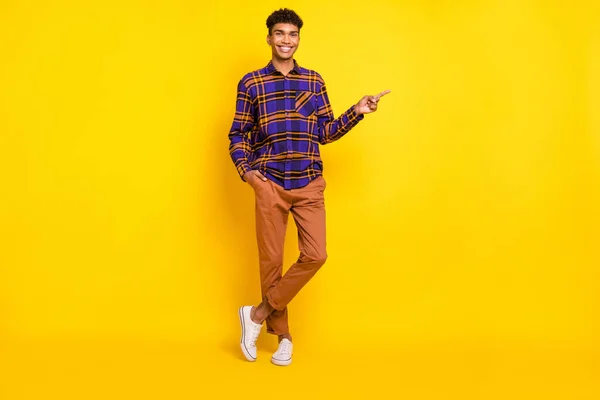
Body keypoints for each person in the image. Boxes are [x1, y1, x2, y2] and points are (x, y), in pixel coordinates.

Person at [228, 8, 390, 366]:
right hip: (269, 181)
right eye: (280, 33)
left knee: (315, 255)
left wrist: (357, 111)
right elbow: (238, 134)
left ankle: (255, 315)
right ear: (269, 38)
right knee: (271, 263)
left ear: (299, 39)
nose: (286, 40)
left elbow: (325, 132)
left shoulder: (314, 81)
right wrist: (247, 173)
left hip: (308, 182)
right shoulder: (251, 83)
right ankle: (284, 337)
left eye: (293, 34)